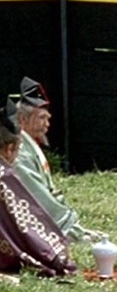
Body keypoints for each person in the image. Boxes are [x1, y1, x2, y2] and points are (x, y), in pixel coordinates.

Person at [12, 77, 99, 242]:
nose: (47, 124)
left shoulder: (27, 145)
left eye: (48, 119)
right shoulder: (20, 152)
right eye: (42, 118)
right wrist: (73, 232)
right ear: (22, 119)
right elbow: (38, 198)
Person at [0, 97, 76, 277]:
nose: (46, 124)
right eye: (42, 118)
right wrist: (57, 255)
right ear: (10, 148)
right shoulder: (4, 177)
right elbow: (27, 225)